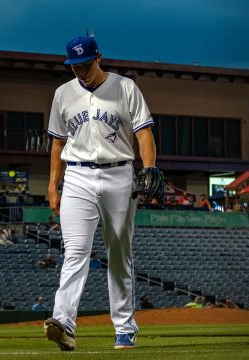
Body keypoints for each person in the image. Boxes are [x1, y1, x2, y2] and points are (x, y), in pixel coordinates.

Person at [44, 35, 157, 351]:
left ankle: (124, 327)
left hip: (119, 174)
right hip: (77, 177)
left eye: (84, 64)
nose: (80, 71)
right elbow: (56, 142)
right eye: (74, 66)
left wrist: (148, 168)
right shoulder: (63, 93)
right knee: (74, 251)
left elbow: (144, 134)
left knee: (119, 253)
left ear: (99, 58)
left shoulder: (125, 87)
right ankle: (63, 323)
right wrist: (53, 185)